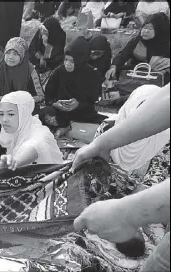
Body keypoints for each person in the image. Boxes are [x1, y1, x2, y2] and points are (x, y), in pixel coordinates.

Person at [72, 84, 170, 272]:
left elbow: (152, 182)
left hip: (147, 199)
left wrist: (125, 211)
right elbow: (95, 170)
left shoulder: (167, 139)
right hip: (108, 193)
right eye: (140, 110)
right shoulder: (110, 128)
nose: (146, 121)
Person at [40, 36, 104, 138]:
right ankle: (66, 126)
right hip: (60, 112)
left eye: (72, 61)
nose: (67, 64)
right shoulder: (58, 72)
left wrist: (78, 104)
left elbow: (92, 101)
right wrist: (55, 104)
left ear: (81, 60)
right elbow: (48, 97)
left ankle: (66, 127)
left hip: (82, 113)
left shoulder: (93, 75)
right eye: (66, 60)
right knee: (44, 113)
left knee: (101, 126)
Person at [0, 91, 63, 171]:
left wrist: (15, 161)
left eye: (11, 114)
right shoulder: (16, 131)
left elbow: (37, 145)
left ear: (24, 114)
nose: (4, 120)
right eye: (1, 114)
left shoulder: (40, 133)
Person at [105, 12, 170, 82]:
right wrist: (114, 67)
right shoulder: (137, 40)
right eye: (145, 27)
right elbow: (123, 54)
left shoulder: (167, 44)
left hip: (158, 77)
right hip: (137, 73)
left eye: (151, 29)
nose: (146, 31)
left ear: (159, 31)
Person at [0, 37, 43, 109]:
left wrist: (18, 100)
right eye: (8, 53)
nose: (10, 57)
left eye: (15, 54)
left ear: (23, 55)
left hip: (24, 109)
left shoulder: (31, 71)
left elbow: (41, 97)